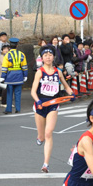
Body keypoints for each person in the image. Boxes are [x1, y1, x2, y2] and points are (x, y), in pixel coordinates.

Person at [31, 45, 74, 173]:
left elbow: (66, 86)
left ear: (53, 57)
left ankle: (46, 164)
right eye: (45, 56)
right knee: (42, 136)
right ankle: (40, 137)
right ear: (42, 58)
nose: (48, 57)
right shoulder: (40, 72)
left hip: (53, 104)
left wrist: (71, 94)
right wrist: (38, 101)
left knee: (49, 132)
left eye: (50, 55)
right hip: (40, 104)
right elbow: (33, 91)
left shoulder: (58, 72)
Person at [0, 38, 27, 114]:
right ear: (17, 45)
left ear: (9, 46)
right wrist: (25, 75)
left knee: (9, 94)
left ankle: (8, 110)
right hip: (19, 76)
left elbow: (4, 67)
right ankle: (18, 109)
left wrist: (3, 76)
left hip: (10, 76)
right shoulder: (22, 54)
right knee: (18, 94)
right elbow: (24, 66)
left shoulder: (7, 55)